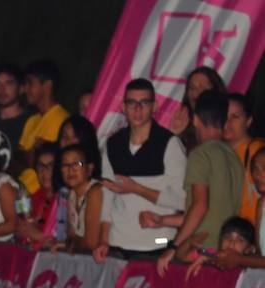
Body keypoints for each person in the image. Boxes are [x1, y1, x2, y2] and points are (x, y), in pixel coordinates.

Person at [94, 79, 187, 263]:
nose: (137, 109)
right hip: (117, 243)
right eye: (131, 103)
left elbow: (182, 199)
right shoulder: (113, 144)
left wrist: (136, 188)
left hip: (158, 242)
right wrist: (103, 239)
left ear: (155, 106)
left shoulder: (169, 144)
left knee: (164, 243)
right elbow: (107, 196)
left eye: (144, 103)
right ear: (123, 107)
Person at [152, 90, 243, 275]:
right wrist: (163, 221)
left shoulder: (200, 155)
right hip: (223, 252)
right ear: (224, 121)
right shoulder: (233, 157)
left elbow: (199, 207)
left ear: (195, 119)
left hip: (201, 251)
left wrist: (173, 247)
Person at [17, 60, 69, 193]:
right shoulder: (32, 120)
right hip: (22, 190)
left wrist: (32, 155)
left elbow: (44, 161)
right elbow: (18, 159)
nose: (25, 89)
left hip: (41, 195)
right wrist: (31, 153)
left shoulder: (60, 119)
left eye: (30, 83)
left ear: (47, 85)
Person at [58, 142, 103, 253]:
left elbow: (91, 243)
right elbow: (70, 236)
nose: (70, 169)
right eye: (65, 165)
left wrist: (70, 244)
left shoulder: (96, 191)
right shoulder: (71, 195)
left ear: (90, 169)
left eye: (77, 164)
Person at [225, 93, 264, 222]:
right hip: (230, 234)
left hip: (254, 232)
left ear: (248, 121)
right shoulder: (217, 153)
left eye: (235, 117)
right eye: (224, 116)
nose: (227, 122)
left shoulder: (257, 150)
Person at [169, 66, 226, 147]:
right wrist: (174, 134)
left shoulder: (227, 126)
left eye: (203, 87)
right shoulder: (184, 129)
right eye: (192, 88)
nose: (196, 94)